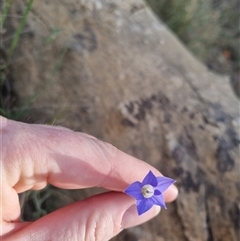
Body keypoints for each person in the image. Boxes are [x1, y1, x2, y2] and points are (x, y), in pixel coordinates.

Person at [0, 115, 178, 240]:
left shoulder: (151, 190)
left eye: (149, 190)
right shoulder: (142, 188)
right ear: (147, 186)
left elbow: (156, 196)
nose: (147, 190)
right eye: (147, 189)